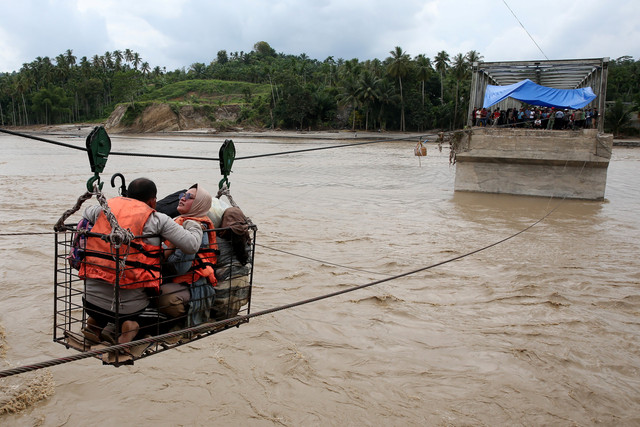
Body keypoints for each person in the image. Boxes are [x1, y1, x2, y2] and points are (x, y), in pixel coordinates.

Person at [79, 178, 203, 344]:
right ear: (153, 201)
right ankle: (131, 327)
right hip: (126, 311)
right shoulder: (158, 219)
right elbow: (192, 245)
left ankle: (95, 324)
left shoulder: (104, 209)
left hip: (89, 303)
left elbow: (87, 212)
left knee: (106, 299)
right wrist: (193, 225)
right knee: (164, 315)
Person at [159, 184, 218, 327]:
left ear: (199, 204)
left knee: (161, 296)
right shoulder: (179, 220)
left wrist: (167, 249)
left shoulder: (195, 228)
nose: (182, 199)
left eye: (189, 197)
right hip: (178, 281)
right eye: (182, 195)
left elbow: (179, 267)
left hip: (193, 285)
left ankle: (177, 321)